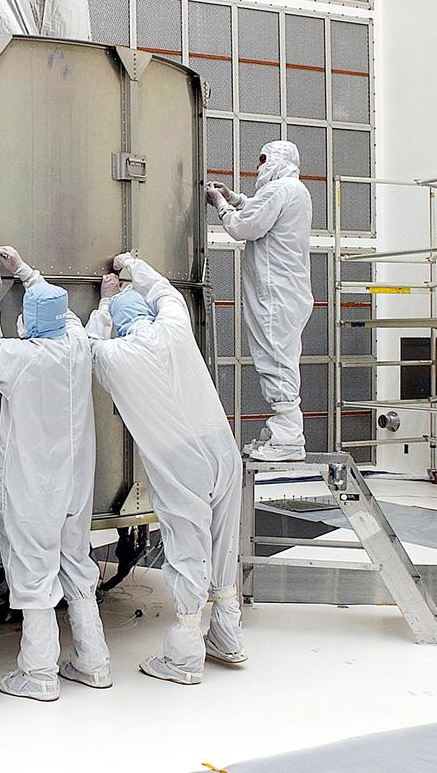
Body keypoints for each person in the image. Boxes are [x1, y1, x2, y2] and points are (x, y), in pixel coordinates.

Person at [87, 254, 246, 686]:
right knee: (223, 542)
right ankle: (227, 637)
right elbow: (164, 291)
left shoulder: (115, 355)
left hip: (181, 464)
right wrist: (130, 264)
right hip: (222, 448)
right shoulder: (175, 326)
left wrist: (105, 303)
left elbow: (87, 346)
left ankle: (184, 658)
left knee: (187, 551)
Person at [0, 246, 111, 702]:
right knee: (75, 563)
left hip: (32, 487)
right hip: (75, 485)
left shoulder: (20, 357)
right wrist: (28, 272)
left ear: (27, 322)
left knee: (34, 573)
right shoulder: (77, 347)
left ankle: (39, 674)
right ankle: (94, 663)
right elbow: (66, 315)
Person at [206, 140, 313, 461]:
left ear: (278, 160)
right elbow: (261, 209)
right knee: (280, 355)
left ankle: (289, 436)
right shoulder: (295, 190)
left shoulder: (280, 189)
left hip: (275, 292)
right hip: (285, 290)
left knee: (275, 357)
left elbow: (244, 227)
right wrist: (234, 197)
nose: (259, 167)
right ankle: (281, 427)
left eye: (264, 160)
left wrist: (220, 204)